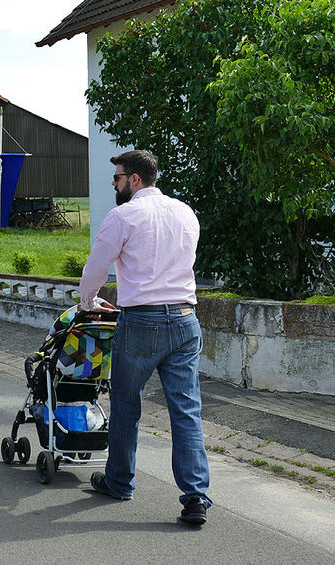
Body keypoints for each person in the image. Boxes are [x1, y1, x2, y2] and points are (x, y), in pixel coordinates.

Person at [78, 150, 210, 526]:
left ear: (135, 179)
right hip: (185, 319)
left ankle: (120, 481)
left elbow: (96, 266)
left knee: (125, 403)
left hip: (142, 322)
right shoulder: (185, 212)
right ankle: (196, 496)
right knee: (186, 410)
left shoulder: (123, 216)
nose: (115, 185)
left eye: (117, 178)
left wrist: (87, 303)